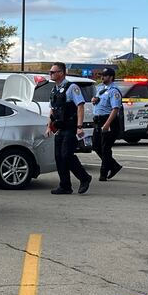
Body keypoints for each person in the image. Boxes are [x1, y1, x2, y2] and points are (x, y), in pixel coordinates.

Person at [45, 62, 92, 195]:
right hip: (59, 128)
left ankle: (84, 178)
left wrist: (79, 127)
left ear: (61, 73)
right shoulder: (54, 90)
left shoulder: (72, 88)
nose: (50, 74)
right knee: (59, 157)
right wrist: (49, 126)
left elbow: (80, 106)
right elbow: (52, 110)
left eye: (53, 72)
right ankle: (65, 186)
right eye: (50, 72)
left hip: (70, 127)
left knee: (67, 155)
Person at [91, 67, 123, 181]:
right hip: (98, 120)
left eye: (104, 76)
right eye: (102, 75)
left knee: (105, 148)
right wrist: (94, 100)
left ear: (111, 77)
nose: (102, 77)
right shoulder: (100, 88)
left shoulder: (114, 91)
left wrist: (107, 124)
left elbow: (115, 109)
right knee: (96, 146)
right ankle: (114, 166)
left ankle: (103, 173)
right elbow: (98, 101)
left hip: (108, 120)